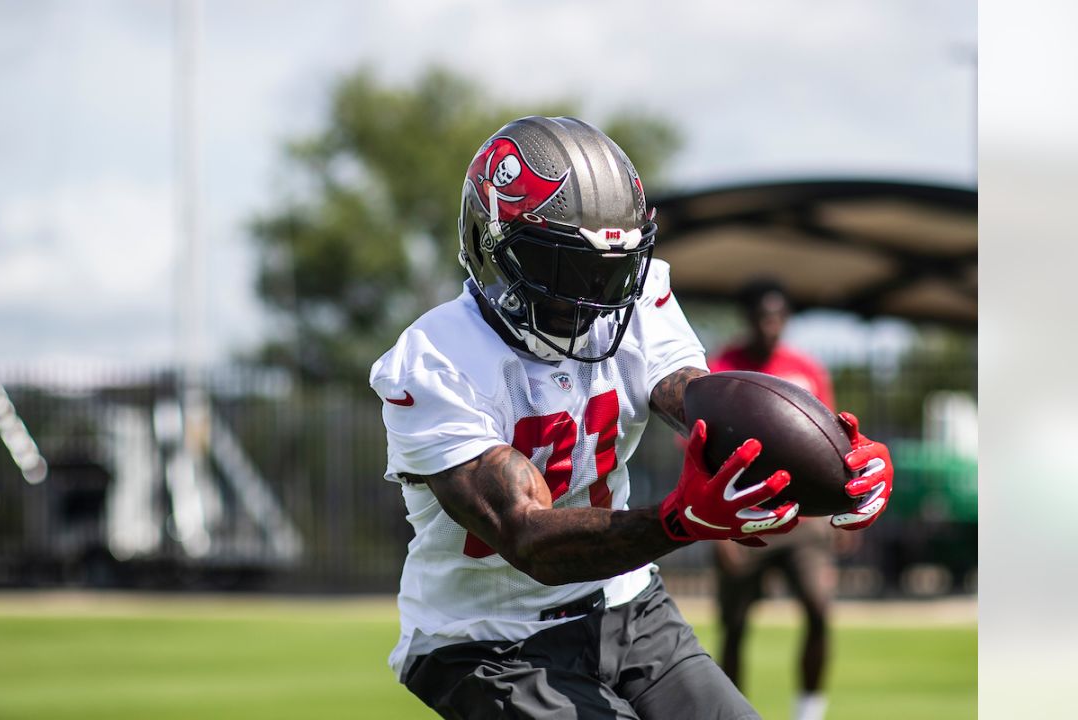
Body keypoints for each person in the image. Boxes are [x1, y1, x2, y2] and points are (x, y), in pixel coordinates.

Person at [368, 116, 893, 719]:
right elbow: (527, 538)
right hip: (486, 639)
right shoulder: (435, 361)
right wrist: (677, 522)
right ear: (495, 247)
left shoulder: (639, 301)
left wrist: (833, 461)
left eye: (611, 269)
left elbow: (697, 398)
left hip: (626, 605)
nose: (594, 294)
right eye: (565, 267)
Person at [709, 278, 842, 720]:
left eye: (778, 314)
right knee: (734, 626)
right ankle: (735, 712)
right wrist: (719, 532)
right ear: (747, 317)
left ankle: (809, 711)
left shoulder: (807, 369)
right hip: (743, 519)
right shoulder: (724, 367)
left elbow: (834, 449)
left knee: (819, 609)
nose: (771, 323)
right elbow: (702, 450)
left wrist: (839, 513)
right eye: (762, 314)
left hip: (802, 522)